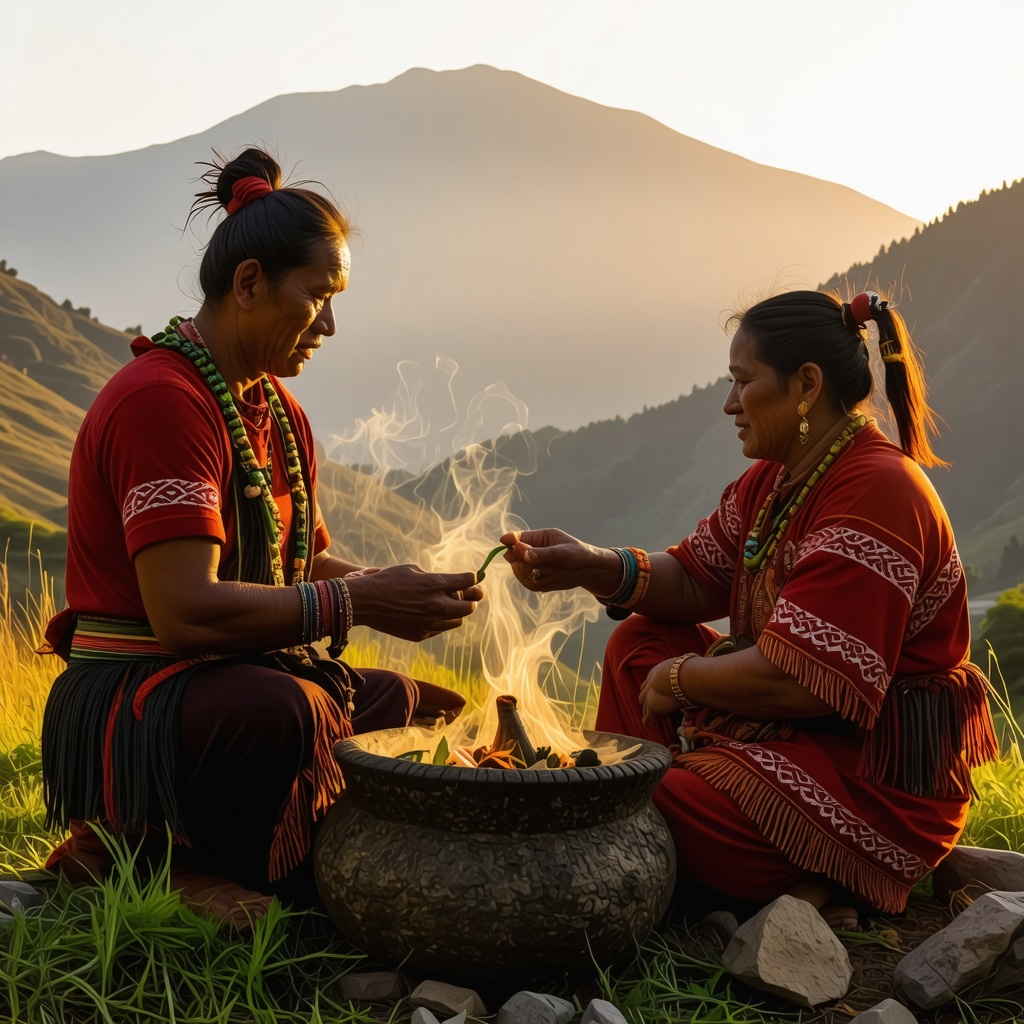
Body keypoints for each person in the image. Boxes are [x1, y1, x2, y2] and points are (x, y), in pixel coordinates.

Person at [40, 148, 483, 919]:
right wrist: (361, 602)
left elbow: (299, 558)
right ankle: (138, 856)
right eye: (318, 297)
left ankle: (317, 864)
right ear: (249, 285)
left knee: (427, 712)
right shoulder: (162, 403)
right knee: (290, 714)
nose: (332, 325)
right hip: (139, 695)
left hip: (239, 670)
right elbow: (184, 613)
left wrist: (397, 589)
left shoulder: (276, 409)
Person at [501, 289, 997, 928]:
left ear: (806, 385)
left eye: (742, 382)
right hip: (790, 739)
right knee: (638, 644)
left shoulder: (877, 491)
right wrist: (590, 564)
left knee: (646, 797)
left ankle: (794, 870)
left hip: (871, 781)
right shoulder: (779, 478)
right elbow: (694, 576)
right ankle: (746, 863)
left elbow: (801, 681)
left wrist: (678, 681)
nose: (730, 403)